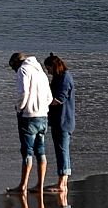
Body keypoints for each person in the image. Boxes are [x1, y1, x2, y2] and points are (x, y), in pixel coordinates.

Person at [7, 53, 53, 193]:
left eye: (13, 67)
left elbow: (24, 92)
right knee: (41, 151)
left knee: (27, 151)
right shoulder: (41, 71)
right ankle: (39, 186)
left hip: (28, 116)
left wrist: (19, 108)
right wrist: (42, 108)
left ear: (16, 63)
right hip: (43, 116)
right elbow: (49, 97)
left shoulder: (23, 70)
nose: (14, 71)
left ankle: (23, 186)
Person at [44, 53, 75, 192]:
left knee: (62, 150)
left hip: (63, 120)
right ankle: (62, 181)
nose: (48, 72)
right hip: (59, 120)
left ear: (54, 66)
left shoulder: (64, 78)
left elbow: (59, 99)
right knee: (61, 149)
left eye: (48, 68)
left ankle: (62, 183)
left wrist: (42, 103)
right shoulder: (61, 77)